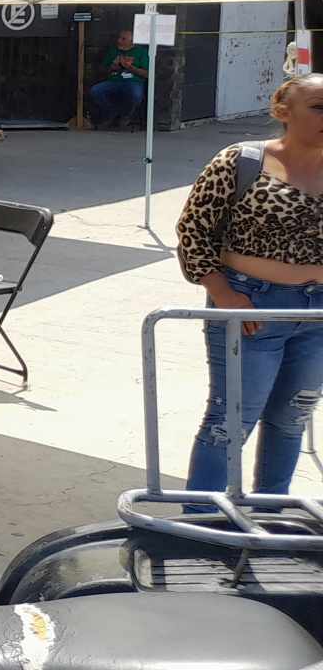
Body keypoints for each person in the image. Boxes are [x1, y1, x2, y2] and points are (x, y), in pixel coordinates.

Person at [175, 73, 323, 501]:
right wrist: (223, 294)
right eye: (318, 107)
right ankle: (198, 525)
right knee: (230, 421)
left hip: (316, 318)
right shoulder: (242, 161)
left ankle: (270, 514)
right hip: (251, 307)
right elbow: (193, 231)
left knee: (291, 418)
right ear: (283, 111)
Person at [90, 28, 150, 130]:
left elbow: (147, 74)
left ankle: (125, 115)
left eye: (123, 39)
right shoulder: (113, 51)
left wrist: (130, 67)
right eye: (119, 38)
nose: (119, 41)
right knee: (95, 91)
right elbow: (101, 69)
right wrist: (113, 67)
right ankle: (112, 113)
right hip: (113, 81)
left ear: (132, 41)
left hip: (133, 82)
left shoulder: (141, 52)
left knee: (135, 94)